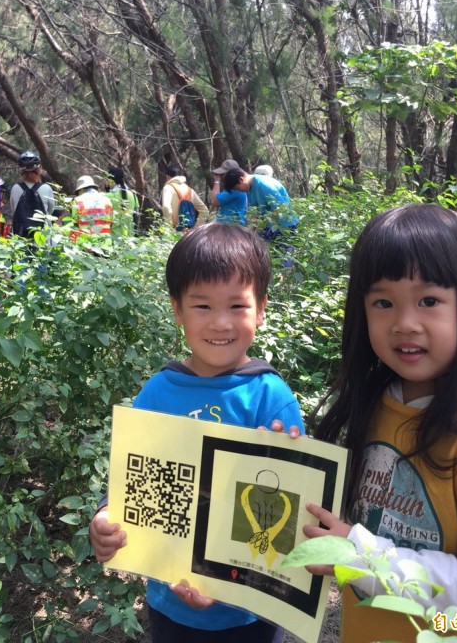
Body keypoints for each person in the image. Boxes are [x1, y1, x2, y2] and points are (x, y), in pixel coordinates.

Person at [300, 204, 457, 643]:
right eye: (383, 302)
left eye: (429, 301)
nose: (404, 323)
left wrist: (361, 557)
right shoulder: (377, 405)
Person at [89, 223, 304, 643]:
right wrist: (105, 515)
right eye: (202, 306)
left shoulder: (271, 399)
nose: (220, 323)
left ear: (260, 309)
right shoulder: (157, 393)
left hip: (249, 616)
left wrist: (223, 585)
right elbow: (133, 479)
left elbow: (285, 523)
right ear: (177, 310)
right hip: (169, 605)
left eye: (237, 307)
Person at [212, 161, 298, 241]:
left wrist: (262, 225)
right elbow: (255, 212)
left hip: (285, 225)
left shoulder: (265, 185)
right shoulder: (249, 188)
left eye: (238, 188)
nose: (240, 191)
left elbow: (281, 209)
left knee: (283, 255)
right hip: (269, 226)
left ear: (241, 180)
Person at [10, 151, 55, 238]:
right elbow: (50, 211)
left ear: (21, 170)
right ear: (39, 169)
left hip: (20, 235)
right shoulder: (46, 188)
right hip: (43, 235)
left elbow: (14, 211)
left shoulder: (15, 188)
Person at [161, 165, 207, 232]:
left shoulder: (168, 187)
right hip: (189, 235)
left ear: (167, 176)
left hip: (174, 232)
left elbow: (166, 207)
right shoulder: (189, 190)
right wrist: (196, 228)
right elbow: (204, 210)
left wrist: (169, 228)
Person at [71, 175, 113, 241]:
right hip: (105, 241)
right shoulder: (107, 200)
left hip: (86, 242)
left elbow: (75, 223)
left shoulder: (77, 201)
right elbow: (111, 223)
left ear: (81, 189)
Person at [106, 166, 139, 236]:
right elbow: (136, 218)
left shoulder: (106, 197)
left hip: (113, 238)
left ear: (111, 180)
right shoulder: (133, 195)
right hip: (129, 239)